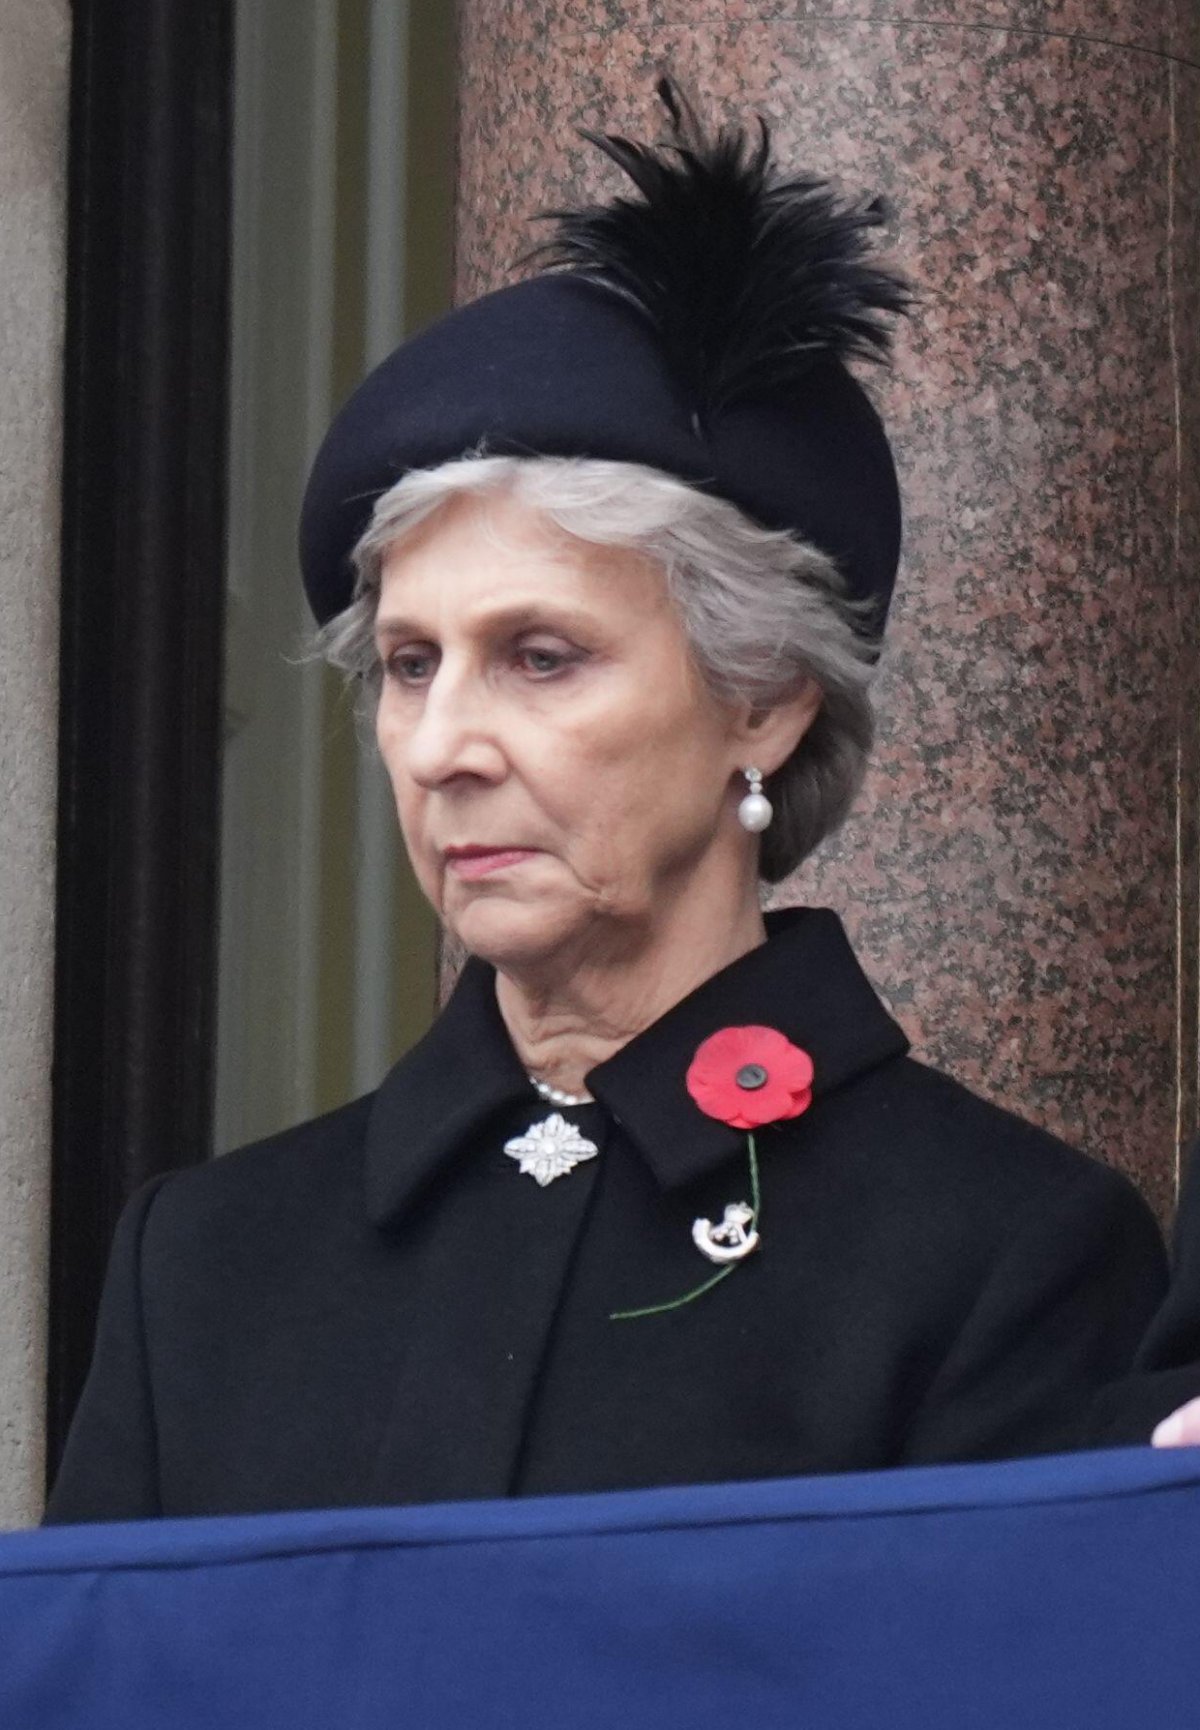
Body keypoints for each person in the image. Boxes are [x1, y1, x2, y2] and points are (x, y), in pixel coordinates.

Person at [45, 84, 1196, 1525]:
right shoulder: (204, 1268)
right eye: (411, 666)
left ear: (764, 696)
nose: (442, 744)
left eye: (542, 656)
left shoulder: (998, 1252)